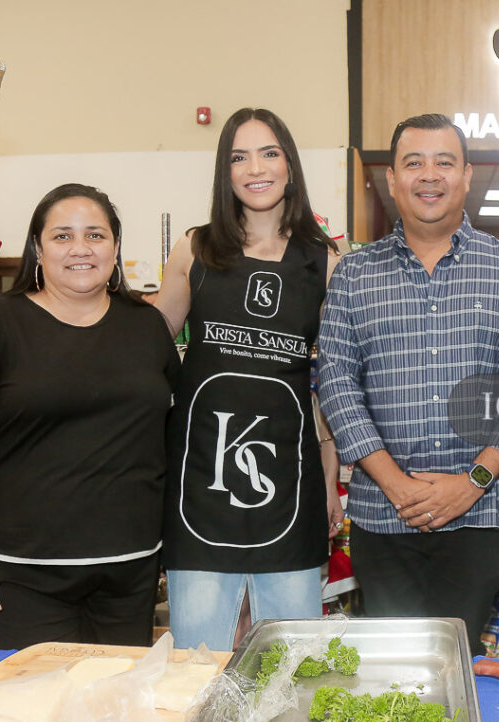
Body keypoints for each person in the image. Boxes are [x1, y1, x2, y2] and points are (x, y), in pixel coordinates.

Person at [317, 113, 499, 654]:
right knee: (391, 670)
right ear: (392, 180)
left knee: (459, 661)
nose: (429, 174)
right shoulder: (354, 272)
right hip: (381, 514)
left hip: (478, 514)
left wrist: (471, 482)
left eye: (444, 161)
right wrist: (395, 483)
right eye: (413, 162)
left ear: (468, 175)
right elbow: (337, 381)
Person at [0, 183, 180, 650]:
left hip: (130, 576)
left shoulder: (146, 328)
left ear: (116, 247)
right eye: (62, 236)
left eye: (96, 235)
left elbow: (174, 440)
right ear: (37, 249)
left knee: (117, 717)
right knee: (35, 719)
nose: (81, 249)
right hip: (22, 580)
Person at [156, 108, 342, 652]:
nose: (254, 168)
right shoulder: (194, 250)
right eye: (239, 156)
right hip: (200, 482)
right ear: (225, 170)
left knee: (292, 665)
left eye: (268, 153)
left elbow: (330, 382)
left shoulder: (325, 260)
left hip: (289, 481)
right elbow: (149, 343)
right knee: (197, 665)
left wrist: (329, 477)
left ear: (289, 164)